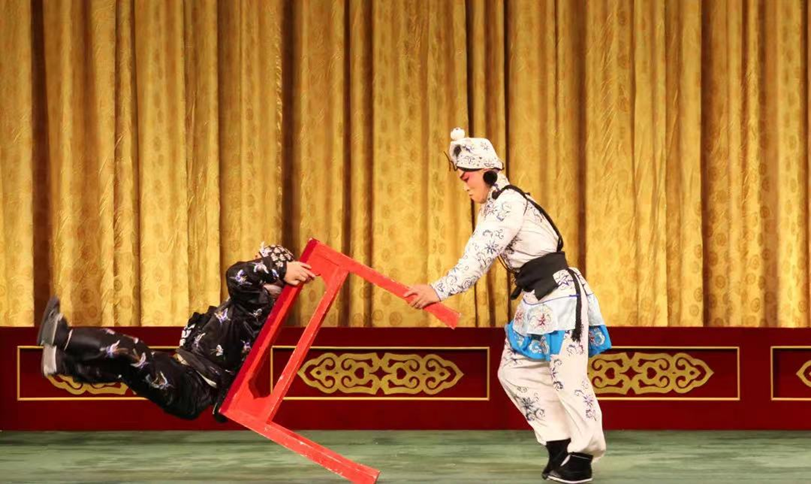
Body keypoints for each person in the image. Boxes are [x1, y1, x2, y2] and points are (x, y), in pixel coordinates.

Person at [405, 128, 612, 484]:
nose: (464, 185)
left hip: (559, 296)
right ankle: (559, 444)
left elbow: (478, 257)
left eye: (466, 178)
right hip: (535, 299)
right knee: (515, 371)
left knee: (568, 376)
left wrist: (438, 290)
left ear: (487, 173)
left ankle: (582, 457)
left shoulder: (508, 203)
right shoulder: (495, 206)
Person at [37, 243, 316, 421]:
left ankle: (62, 336)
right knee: (123, 366)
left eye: (260, 261)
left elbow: (236, 275)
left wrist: (280, 267)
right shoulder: (253, 303)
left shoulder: (257, 304)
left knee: (133, 351)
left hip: (191, 387)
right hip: (186, 376)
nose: (253, 262)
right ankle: (61, 363)